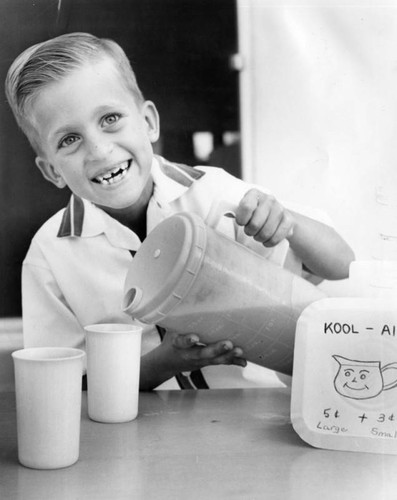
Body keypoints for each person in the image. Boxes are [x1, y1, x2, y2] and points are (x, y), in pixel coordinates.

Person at [5, 32, 355, 390]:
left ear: (149, 122)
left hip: (252, 416)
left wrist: (289, 224)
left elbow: (343, 266)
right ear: (51, 171)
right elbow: (65, 385)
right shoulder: (49, 255)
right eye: (69, 139)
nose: (98, 150)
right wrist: (163, 364)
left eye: (110, 119)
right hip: (138, 437)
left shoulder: (215, 193)